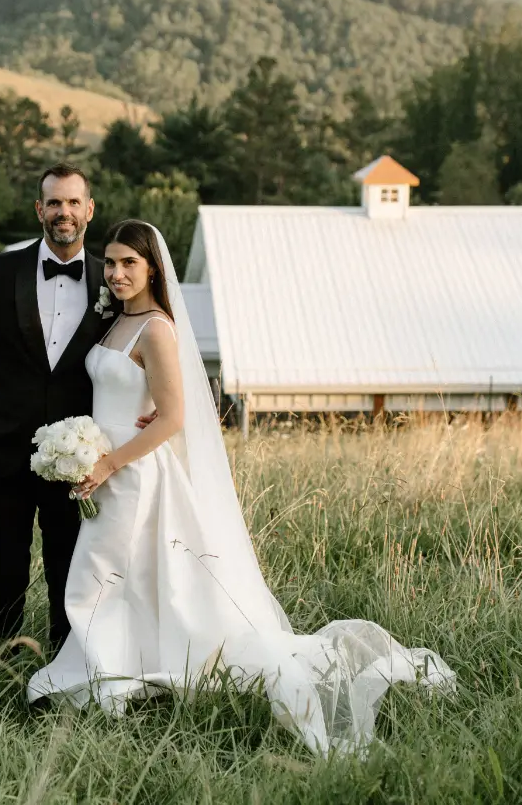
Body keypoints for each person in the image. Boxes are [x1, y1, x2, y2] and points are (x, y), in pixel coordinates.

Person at [26, 220, 456, 756]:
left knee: (109, 574)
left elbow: (173, 417)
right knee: (118, 577)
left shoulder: (156, 328)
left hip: (132, 473)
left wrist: (110, 461)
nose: (114, 273)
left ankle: (112, 675)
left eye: (128, 263)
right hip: (106, 467)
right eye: (109, 263)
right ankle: (115, 668)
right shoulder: (115, 322)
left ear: (152, 268)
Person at [0, 163, 115, 651]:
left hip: (78, 458)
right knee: (1, 565)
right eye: (53, 203)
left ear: (88, 209)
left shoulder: (114, 275)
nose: (62, 212)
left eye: (72, 202)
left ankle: (64, 668)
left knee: (70, 565)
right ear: (38, 209)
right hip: (0, 451)